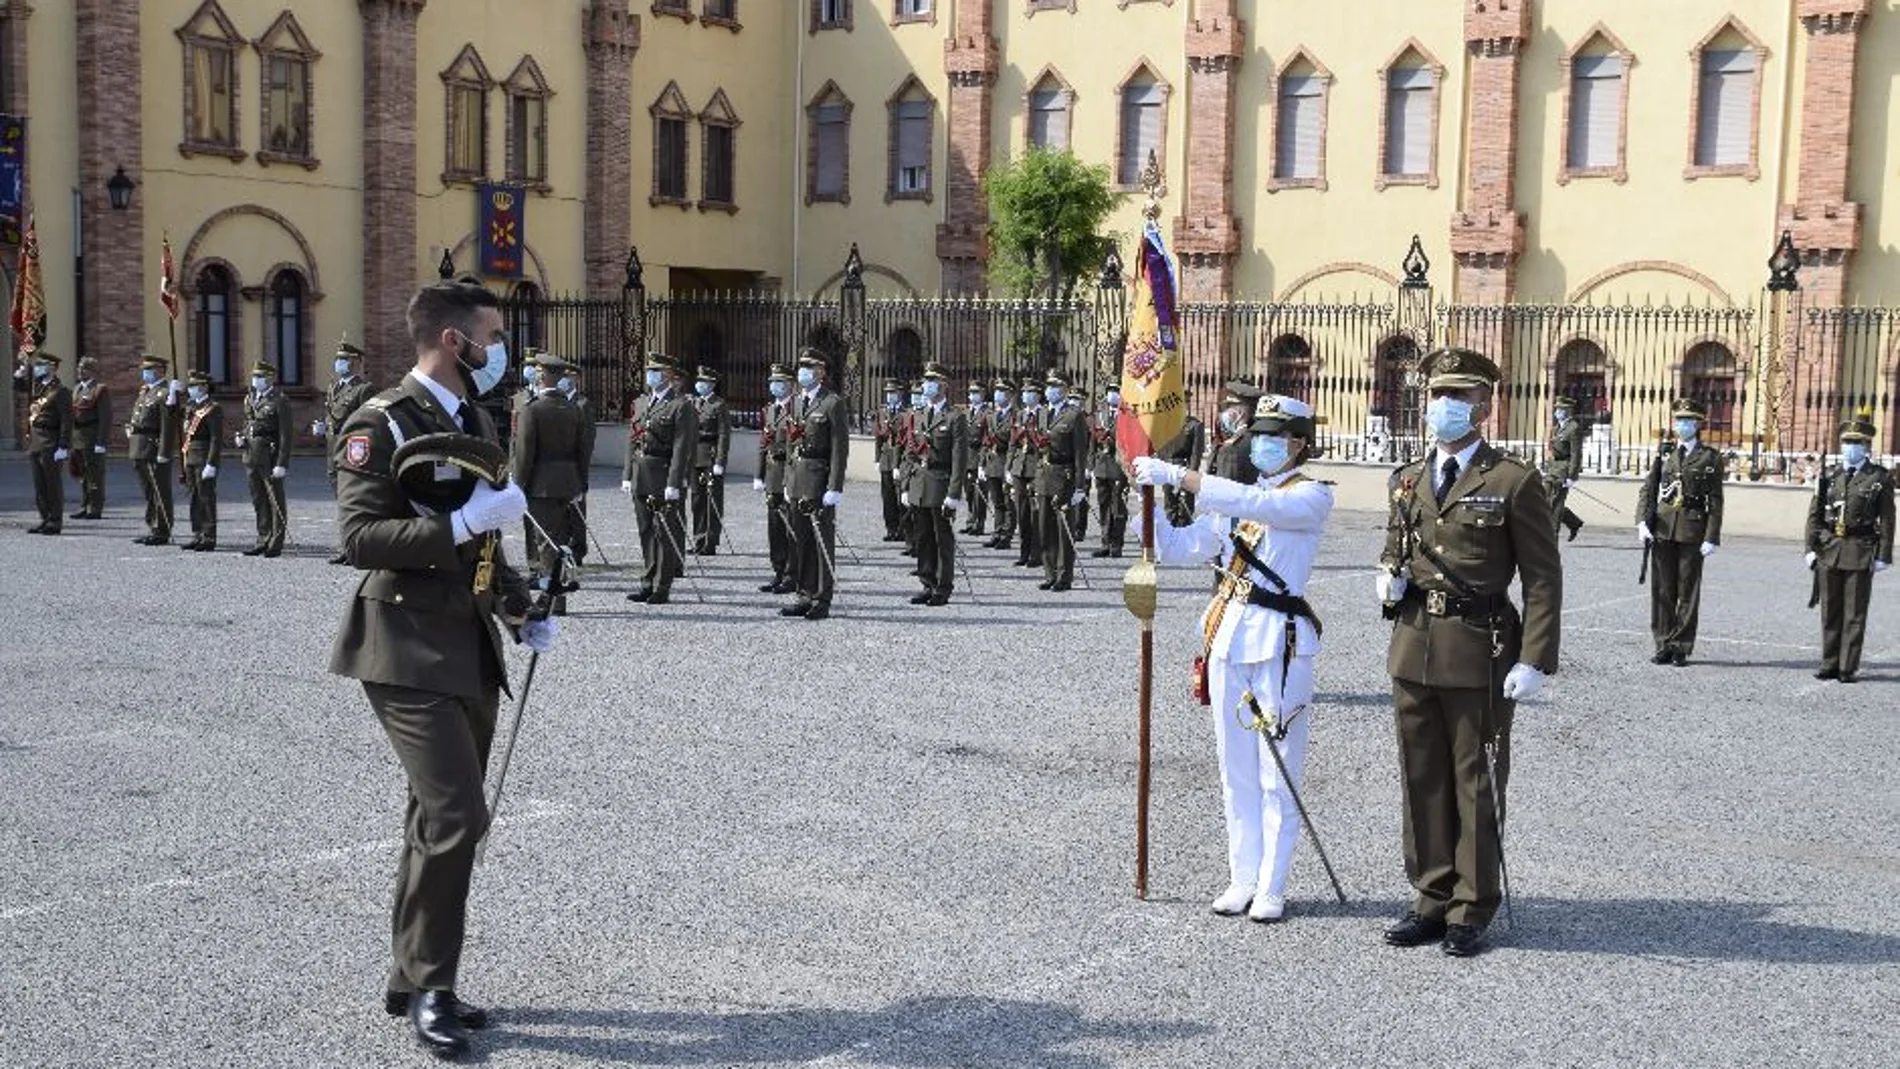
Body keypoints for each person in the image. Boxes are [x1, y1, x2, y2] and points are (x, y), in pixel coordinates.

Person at [328, 280, 551, 1060]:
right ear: (456, 342)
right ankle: (434, 989)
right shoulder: (380, 421)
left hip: (469, 644)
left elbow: (484, 544)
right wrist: (457, 521)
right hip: (402, 642)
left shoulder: (477, 418)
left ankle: (407, 974)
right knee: (458, 814)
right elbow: (359, 536)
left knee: (433, 816)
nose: (502, 350)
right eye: (493, 334)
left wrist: (520, 606)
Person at [1376, 347, 1561, 958]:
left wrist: (1534, 658)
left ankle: (1472, 905)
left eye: (1458, 397)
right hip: (1413, 644)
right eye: (1436, 396)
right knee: (1421, 777)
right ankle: (1429, 895)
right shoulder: (1408, 477)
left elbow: (1541, 577)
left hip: (1480, 649)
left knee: (1474, 779)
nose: (1444, 407)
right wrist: (1389, 576)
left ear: (1484, 404)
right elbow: (1398, 545)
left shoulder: (1512, 480)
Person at [1131, 395, 1334, 922]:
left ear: (1299, 444)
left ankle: (1272, 885)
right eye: (1259, 435)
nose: (1262, 444)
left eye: (1275, 436)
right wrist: (1148, 506)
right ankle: (1242, 876)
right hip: (1228, 638)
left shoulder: (1309, 496)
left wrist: (1179, 475)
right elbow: (1182, 547)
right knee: (1235, 768)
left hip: (1279, 643)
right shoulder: (1238, 502)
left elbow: (1258, 508)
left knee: (1276, 770)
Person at [1636, 398, 1725, 667]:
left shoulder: (1710, 457)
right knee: (1662, 590)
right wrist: (1641, 521)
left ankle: (1681, 646)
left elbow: (1716, 500)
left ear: (1698, 424)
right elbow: (1648, 490)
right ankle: (1663, 643)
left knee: (1687, 591)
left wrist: (1711, 536)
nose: (1681, 425)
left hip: (1692, 529)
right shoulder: (1664, 454)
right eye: (1678, 420)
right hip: (1663, 528)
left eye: (1687, 421)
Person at [1807, 410, 1894, 683]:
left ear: (1867, 447)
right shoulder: (1831, 476)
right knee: (1829, 609)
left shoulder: (1879, 478)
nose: (1850, 448)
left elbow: (1888, 518)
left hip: (1860, 548)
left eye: (1856, 443)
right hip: (1829, 549)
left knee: (1854, 612)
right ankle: (1829, 662)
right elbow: (1815, 515)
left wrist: (1884, 555)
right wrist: (1810, 548)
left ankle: (1847, 666)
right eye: (1846, 442)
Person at [512, 352, 588, 614]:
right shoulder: (573, 409)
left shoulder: (532, 409)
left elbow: (524, 453)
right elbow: (583, 451)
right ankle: (558, 595)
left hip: (541, 484)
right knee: (562, 540)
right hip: (568, 482)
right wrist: (581, 484)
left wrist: (518, 485)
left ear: (542, 376)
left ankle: (553, 599)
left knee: (546, 543)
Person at [622, 353, 697, 605]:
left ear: (667, 375)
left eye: (655, 371)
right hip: (641, 473)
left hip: (662, 473)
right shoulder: (642, 403)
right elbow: (632, 441)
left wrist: (674, 482)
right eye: (649, 371)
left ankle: (661, 587)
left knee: (663, 532)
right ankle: (647, 580)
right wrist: (627, 474)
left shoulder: (680, 405)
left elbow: (681, 447)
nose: (650, 375)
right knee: (646, 531)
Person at [781, 350, 848, 621]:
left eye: (809, 367)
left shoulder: (832, 403)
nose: (803, 372)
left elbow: (839, 449)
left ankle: (822, 597)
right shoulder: (796, 402)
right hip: (797, 478)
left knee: (821, 541)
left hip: (819, 479)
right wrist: (787, 479)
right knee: (801, 541)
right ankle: (804, 593)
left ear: (821, 372)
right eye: (801, 367)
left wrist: (835, 486)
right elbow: (789, 443)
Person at [904, 362, 969, 606]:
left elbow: (958, 458)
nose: (927, 385)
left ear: (944, 385)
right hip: (920, 484)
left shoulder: (954, 418)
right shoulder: (918, 415)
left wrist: (954, 493)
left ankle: (943, 586)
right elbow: (910, 451)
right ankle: (926, 581)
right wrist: (906, 484)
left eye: (933, 382)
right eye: (926, 381)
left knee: (942, 538)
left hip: (941, 483)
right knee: (922, 537)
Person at [316, 340, 377, 564]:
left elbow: (368, 423)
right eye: (338, 359)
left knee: (355, 502)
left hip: (352, 452)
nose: (339, 363)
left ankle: (359, 548)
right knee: (342, 503)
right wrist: (323, 428)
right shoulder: (334, 387)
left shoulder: (363, 389)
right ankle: (346, 547)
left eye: (344, 360)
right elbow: (331, 414)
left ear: (356, 362)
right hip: (333, 452)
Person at [1034, 370, 1089, 592]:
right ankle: (1049, 573)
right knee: (1044, 527)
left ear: (1064, 389)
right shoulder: (1042, 413)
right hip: (1044, 475)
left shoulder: (1074, 415)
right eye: (1048, 386)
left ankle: (1064, 576)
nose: (1049, 391)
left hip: (1064, 476)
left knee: (1062, 529)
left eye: (1054, 386)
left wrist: (1079, 486)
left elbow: (1080, 453)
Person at [126, 354, 182, 546]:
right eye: (144, 369)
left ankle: (162, 529)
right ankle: (153, 525)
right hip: (139, 446)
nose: (146, 373)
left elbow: (168, 425)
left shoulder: (165, 393)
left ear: (161, 371)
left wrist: (164, 452)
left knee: (160, 491)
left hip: (153, 446)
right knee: (149, 491)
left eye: (150, 369)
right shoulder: (146, 392)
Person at [240, 361, 294, 557]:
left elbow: (286, 435)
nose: (256, 380)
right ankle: (262, 537)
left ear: (270, 378)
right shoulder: (250, 399)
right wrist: (242, 437)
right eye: (254, 377)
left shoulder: (280, 400)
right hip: (251, 455)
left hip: (270, 456)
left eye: (260, 377)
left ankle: (276, 542)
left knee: (275, 500)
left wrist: (282, 463)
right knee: (258, 499)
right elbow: (248, 423)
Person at [15, 350, 72, 534]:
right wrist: (20, 374)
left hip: (51, 440)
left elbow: (66, 420)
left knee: (52, 483)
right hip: (36, 440)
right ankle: (45, 518)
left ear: (53, 368)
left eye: (42, 366)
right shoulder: (39, 388)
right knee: (39, 484)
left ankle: (55, 521)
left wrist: (63, 445)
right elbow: (19, 388)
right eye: (38, 365)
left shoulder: (61, 391)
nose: (38, 368)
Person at [754, 363, 797, 593]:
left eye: (779, 381)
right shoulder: (770, 410)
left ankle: (792, 574)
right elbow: (764, 443)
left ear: (790, 384)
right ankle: (778, 571)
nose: (774, 385)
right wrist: (758, 474)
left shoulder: (797, 408)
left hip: (788, 473)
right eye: (772, 381)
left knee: (790, 525)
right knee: (775, 526)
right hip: (772, 473)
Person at [556, 363, 596, 567]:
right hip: (560, 465)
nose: (564, 380)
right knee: (563, 510)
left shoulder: (582, 404)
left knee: (577, 509)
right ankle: (564, 547)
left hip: (575, 464)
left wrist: (583, 472)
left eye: (569, 377)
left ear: (576, 380)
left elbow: (587, 441)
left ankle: (579, 548)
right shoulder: (559, 401)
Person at [689, 366, 732, 556]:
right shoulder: (693, 403)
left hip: (710, 456)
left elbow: (724, 435)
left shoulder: (718, 405)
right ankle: (698, 538)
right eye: (699, 381)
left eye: (704, 382)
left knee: (712, 501)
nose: (700, 385)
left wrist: (720, 462)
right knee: (697, 501)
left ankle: (710, 540)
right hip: (694, 457)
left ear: (712, 384)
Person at [180, 370, 224, 552]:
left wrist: (212, 463)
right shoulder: (191, 406)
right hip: (190, 456)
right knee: (194, 497)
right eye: (190, 386)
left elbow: (216, 438)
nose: (191, 389)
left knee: (206, 497)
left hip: (204, 456)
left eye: (194, 386)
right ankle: (197, 533)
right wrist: (171, 399)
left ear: (204, 387)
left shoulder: (213, 408)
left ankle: (209, 536)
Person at [69, 356, 112, 520]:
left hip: (92, 437)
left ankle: (95, 507)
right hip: (78, 438)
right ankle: (84, 505)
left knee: (95, 474)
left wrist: (101, 441)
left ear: (93, 372)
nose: (80, 371)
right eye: (79, 367)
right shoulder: (77, 389)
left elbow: (105, 418)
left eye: (84, 368)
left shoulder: (100, 389)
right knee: (83, 475)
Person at [1089, 385, 1129, 558]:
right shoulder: (1099, 415)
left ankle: (1117, 544)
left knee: (1118, 507)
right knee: (1104, 506)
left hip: (1118, 466)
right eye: (1109, 391)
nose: (1112, 394)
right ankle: (1105, 542)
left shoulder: (1128, 415)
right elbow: (1092, 441)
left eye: (1116, 391)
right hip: (1101, 466)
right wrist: (1090, 465)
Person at [1008, 379, 1044, 568]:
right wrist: (1008, 467)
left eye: (1030, 392)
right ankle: (1024, 552)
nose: (1025, 396)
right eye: (1024, 392)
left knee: (1035, 513)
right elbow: (1012, 443)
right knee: (1021, 513)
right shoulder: (1019, 415)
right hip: (1019, 468)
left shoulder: (1043, 415)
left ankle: (1036, 554)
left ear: (1037, 395)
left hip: (1035, 469)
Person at [1157, 395, 1206, 526]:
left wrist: (1190, 475)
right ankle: (1172, 538)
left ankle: (1185, 540)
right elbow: (1160, 448)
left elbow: (1196, 454)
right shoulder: (1164, 424)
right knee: (1170, 506)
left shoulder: (1194, 425)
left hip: (1183, 469)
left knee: (1185, 509)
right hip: (1167, 468)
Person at [1542, 397, 1585, 542]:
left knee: (1556, 504)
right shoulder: (1557, 427)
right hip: (1552, 470)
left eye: (1560, 409)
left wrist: (1572, 476)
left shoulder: (1574, 428)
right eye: (1557, 409)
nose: (1557, 412)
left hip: (1563, 471)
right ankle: (1573, 522)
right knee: (1544, 501)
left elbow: (1576, 453)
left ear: (1568, 411)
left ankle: (1552, 536)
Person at [980, 377, 1016, 550]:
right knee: (997, 501)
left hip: (1005, 461)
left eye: (1002, 391)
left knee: (1008, 501)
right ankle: (997, 531)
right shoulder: (992, 415)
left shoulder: (1014, 415)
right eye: (997, 391)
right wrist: (981, 463)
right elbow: (985, 441)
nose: (998, 394)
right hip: (992, 463)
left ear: (1010, 394)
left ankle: (1007, 534)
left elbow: (1010, 439)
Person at [1206, 381, 1263, 487]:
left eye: (1228, 408)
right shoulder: (1259, 438)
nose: (1223, 413)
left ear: (1240, 414)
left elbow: (1225, 490)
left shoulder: (1231, 448)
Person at [873, 379, 906, 542]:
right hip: (886, 457)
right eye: (888, 393)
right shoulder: (882, 411)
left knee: (901, 496)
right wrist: (877, 458)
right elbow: (878, 437)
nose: (890, 396)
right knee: (887, 496)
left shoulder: (906, 412)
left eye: (893, 393)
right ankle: (890, 528)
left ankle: (903, 529)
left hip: (899, 458)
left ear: (900, 393)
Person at [959, 381, 989, 537]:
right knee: (969, 492)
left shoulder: (987, 413)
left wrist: (982, 462)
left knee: (980, 493)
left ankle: (979, 523)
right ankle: (970, 520)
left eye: (976, 393)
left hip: (978, 457)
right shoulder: (965, 412)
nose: (972, 396)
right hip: (966, 458)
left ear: (983, 394)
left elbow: (986, 439)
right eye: (971, 393)